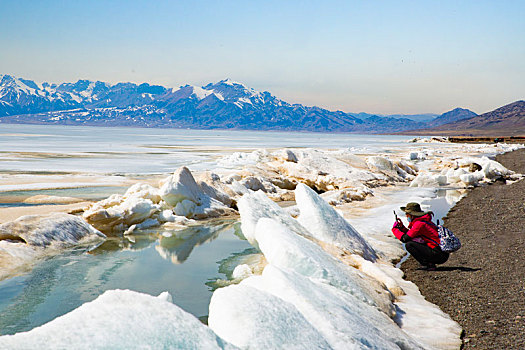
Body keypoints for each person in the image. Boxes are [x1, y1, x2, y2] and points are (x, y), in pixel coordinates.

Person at [392, 202, 449, 270]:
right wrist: (402, 228)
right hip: (442, 253)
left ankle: (428, 264)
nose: (406, 216)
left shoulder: (419, 224)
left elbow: (405, 239)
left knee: (409, 245)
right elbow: (411, 234)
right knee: (412, 242)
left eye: (407, 214)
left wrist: (394, 229)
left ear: (412, 215)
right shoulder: (423, 221)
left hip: (439, 254)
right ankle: (430, 263)